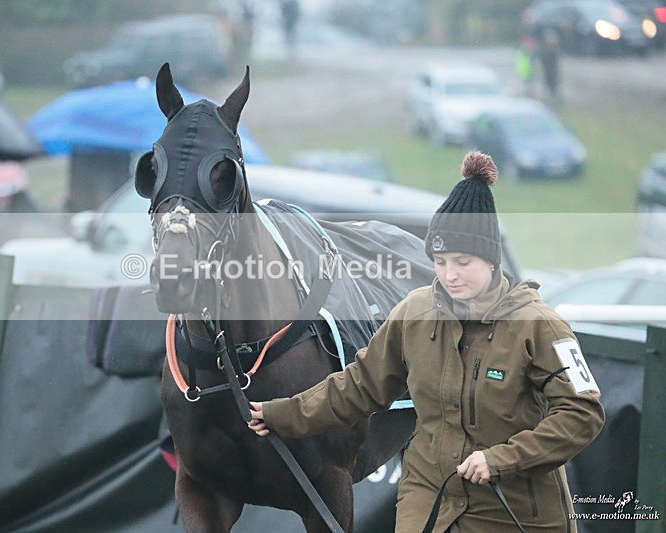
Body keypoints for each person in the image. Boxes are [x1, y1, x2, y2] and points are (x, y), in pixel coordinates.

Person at [249, 151, 605, 532]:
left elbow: (582, 414)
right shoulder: (414, 313)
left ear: (491, 260)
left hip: (513, 510)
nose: (449, 275)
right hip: (428, 503)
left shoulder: (539, 325)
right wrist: (280, 414)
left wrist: (502, 460)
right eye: (440, 261)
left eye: (462, 262)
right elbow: (359, 386)